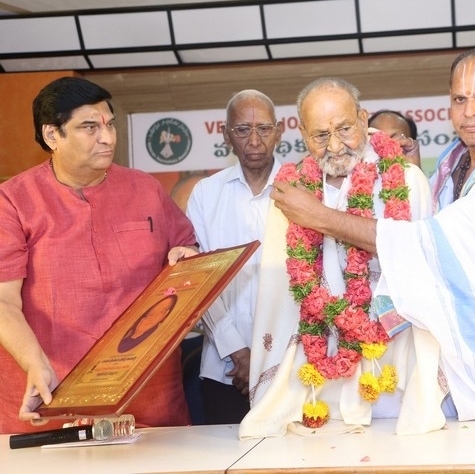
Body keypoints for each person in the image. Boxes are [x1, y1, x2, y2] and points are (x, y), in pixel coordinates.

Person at [266, 48, 475, 429]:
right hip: (464, 374)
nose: (469, 110)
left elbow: (427, 243)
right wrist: (362, 144)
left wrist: (320, 217)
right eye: (459, 99)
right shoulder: (456, 158)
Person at [0, 76, 199, 434]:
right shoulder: (13, 201)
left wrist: (188, 256)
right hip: (52, 393)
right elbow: (3, 302)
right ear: (52, 136)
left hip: (147, 396)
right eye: (89, 127)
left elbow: (188, 251)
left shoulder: (145, 188)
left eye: (109, 124)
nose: (107, 138)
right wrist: (36, 363)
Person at [239, 77, 432, 438]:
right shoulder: (290, 193)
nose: (335, 146)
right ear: (301, 133)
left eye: (344, 128)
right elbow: (278, 290)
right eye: (320, 135)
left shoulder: (406, 180)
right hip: (315, 382)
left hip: (388, 371)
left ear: (363, 119)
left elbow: (415, 266)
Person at [185, 89, 284, 424]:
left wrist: (271, 357)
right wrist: (238, 353)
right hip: (224, 370)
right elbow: (201, 278)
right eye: (242, 130)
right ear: (226, 134)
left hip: (292, 367)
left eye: (264, 130)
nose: (254, 141)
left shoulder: (302, 189)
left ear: (279, 131)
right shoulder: (206, 194)